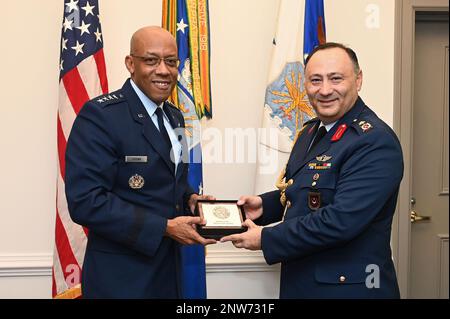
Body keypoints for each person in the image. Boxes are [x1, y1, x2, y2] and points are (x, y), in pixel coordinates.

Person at [221, 43, 404, 299]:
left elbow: (341, 220)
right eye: (315, 80)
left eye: (336, 78)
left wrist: (267, 238)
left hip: (350, 291)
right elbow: (307, 192)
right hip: (304, 283)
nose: (325, 90)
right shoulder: (311, 132)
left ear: (358, 80)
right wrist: (264, 205)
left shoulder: (373, 141)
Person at [65, 26, 216, 299]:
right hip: (121, 279)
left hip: (168, 273)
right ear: (130, 64)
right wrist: (165, 227)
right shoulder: (101, 116)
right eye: (151, 60)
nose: (163, 70)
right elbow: (86, 202)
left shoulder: (174, 117)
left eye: (171, 62)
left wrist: (190, 198)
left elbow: (170, 182)